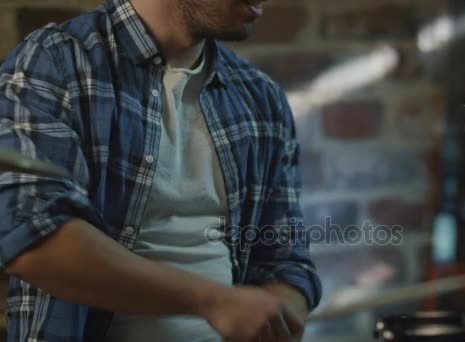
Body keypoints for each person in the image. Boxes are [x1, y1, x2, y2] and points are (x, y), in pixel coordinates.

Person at [0, 0, 322, 341]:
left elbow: (285, 258)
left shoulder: (260, 96)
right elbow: (32, 237)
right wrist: (214, 302)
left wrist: (279, 313)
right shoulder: (56, 60)